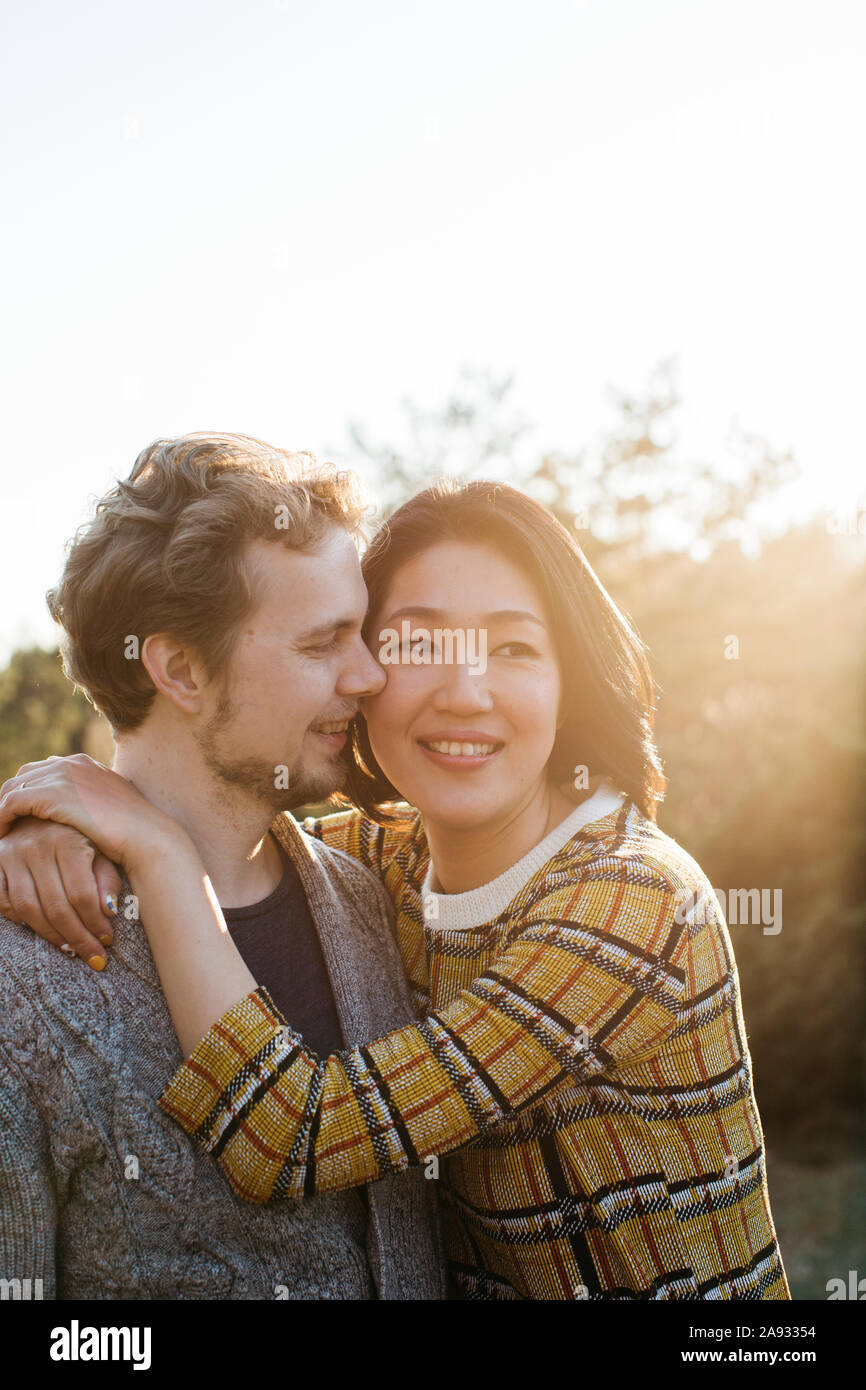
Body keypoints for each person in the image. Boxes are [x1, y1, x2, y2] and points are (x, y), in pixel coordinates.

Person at [0, 479, 790, 1301]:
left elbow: (292, 1137)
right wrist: (48, 822)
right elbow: (239, 835)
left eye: (515, 649)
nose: (464, 693)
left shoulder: (636, 901)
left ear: (570, 678)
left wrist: (160, 855)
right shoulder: (381, 866)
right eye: (410, 645)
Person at [0, 433, 446, 1300]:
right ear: (178, 669)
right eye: (324, 644)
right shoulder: (21, 983)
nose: (369, 674)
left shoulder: (377, 893)